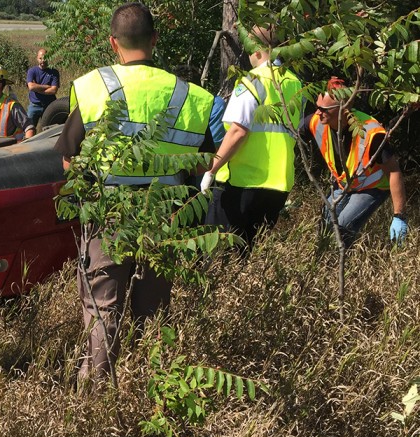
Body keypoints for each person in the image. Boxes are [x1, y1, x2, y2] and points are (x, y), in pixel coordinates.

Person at [54, 2, 215, 386]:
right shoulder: (189, 95)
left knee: (103, 309)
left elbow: (68, 162)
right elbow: (202, 163)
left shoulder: (92, 87)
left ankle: (95, 393)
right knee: (154, 309)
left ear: (113, 43)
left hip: (108, 216)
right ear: (155, 40)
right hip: (166, 217)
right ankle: (151, 387)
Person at [201, 26, 303, 250]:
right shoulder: (295, 84)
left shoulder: (252, 81)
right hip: (278, 184)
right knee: (249, 249)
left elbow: (238, 130)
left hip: (241, 184)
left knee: (218, 251)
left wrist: (212, 169)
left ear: (257, 51)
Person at [300, 77, 408, 247]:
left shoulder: (371, 133)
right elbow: (293, 136)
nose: (318, 112)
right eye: (317, 107)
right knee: (325, 228)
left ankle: (340, 268)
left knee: (342, 229)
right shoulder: (316, 121)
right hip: (344, 185)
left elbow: (394, 171)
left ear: (344, 109)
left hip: (371, 187)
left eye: (324, 109)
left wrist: (399, 216)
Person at [26, 48, 60, 128]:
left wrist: (37, 88)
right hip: (34, 104)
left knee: (49, 129)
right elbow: (31, 87)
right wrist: (46, 86)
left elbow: (53, 90)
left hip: (49, 105)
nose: (43, 61)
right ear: (37, 58)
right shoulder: (32, 71)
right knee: (29, 129)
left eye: (45, 58)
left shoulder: (54, 72)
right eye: (40, 58)